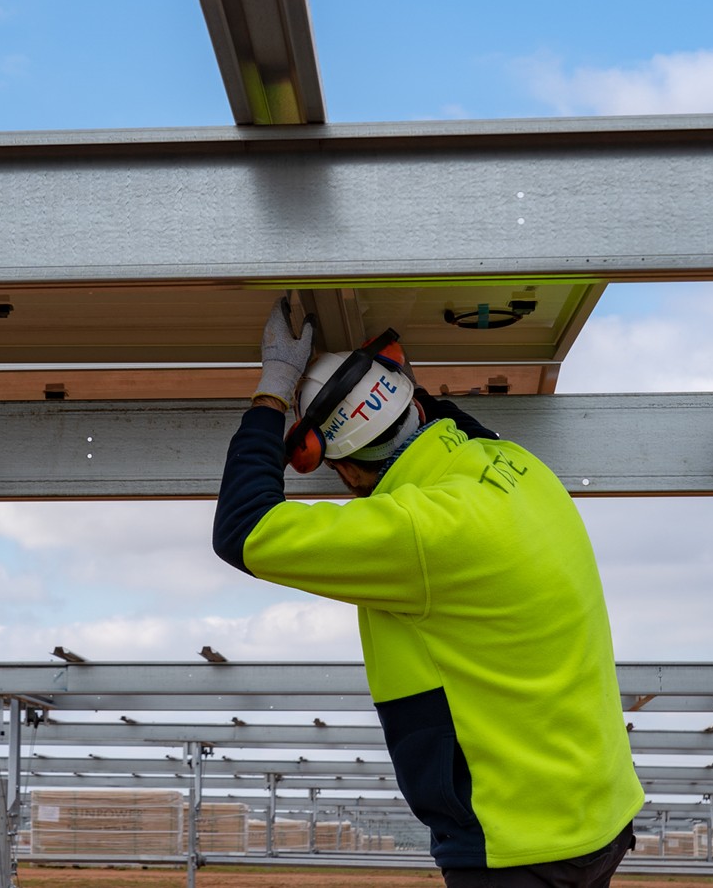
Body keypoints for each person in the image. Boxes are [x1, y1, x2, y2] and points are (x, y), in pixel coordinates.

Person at [213, 298, 643, 886]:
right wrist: (375, 385)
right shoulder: (516, 465)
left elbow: (245, 530)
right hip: (599, 815)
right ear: (416, 402)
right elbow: (451, 426)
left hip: (516, 843)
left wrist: (273, 388)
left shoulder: (418, 529)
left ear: (346, 472)